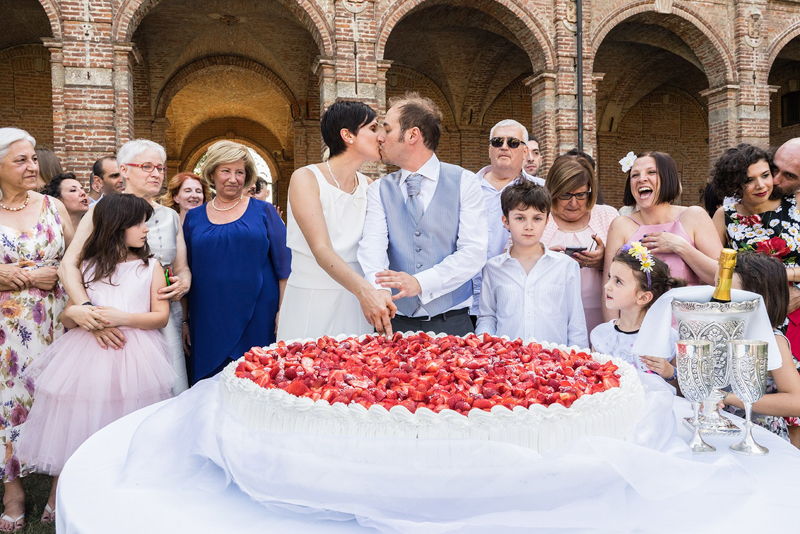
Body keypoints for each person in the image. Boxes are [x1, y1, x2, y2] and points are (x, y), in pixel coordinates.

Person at [18, 195, 175, 523]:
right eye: (139, 223)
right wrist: (79, 314)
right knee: (79, 423)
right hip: (88, 359)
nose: (146, 229)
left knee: (126, 424)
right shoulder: (86, 269)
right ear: (117, 227)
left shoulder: (150, 267)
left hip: (136, 359)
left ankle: (116, 492)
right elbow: (68, 319)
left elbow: (159, 317)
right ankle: (58, 493)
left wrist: (121, 317)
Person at [58, 139, 191, 396]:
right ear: (124, 170)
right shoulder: (103, 213)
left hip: (162, 316)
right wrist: (89, 311)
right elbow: (69, 266)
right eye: (147, 166)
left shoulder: (170, 216)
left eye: (161, 168)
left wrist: (184, 282)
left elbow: (182, 267)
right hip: (112, 320)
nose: (156, 173)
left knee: (168, 390)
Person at [358, 92, 488, 336]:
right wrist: (381, 291)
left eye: (386, 128)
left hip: (453, 323)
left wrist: (420, 282)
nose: (380, 137)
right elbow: (372, 247)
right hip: (394, 321)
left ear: (412, 135)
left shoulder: (465, 182)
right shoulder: (379, 190)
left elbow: (474, 252)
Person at [0, 128, 73, 531]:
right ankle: (13, 490)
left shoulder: (52, 205)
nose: (33, 166)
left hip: (53, 324)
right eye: (20, 161)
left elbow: (78, 263)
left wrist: (59, 274)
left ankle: (60, 484)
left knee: (58, 398)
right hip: (3, 335)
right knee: (5, 405)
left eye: (33, 158)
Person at [278, 101, 395, 339]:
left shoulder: (369, 186)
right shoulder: (306, 178)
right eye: (373, 128)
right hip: (312, 298)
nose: (381, 136)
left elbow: (376, 246)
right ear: (347, 135)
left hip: (355, 301)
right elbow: (321, 249)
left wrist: (378, 290)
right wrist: (366, 292)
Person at [184, 140, 290, 383]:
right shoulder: (193, 218)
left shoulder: (264, 211)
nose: (233, 178)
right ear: (212, 173)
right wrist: (184, 320)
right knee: (209, 388)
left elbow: (285, 268)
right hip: (208, 317)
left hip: (259, 314)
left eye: (239, 172)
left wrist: (282, 312)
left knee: (257, 383)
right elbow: (187, 270)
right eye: (226, 171)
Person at [603, 151, 721, 320]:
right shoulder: (620, 225)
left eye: (651, 172)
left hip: (688, 328)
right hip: (637, 332)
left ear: (668, 178)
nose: (641, 179)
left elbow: (722, 278)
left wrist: (680, 247)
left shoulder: (693, 216)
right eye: (635, 175)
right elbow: (608, 289)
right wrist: (612, 335)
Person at [475, 181, 587, 346]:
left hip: (554, 365)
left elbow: (576, 322)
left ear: (547, 221)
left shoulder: (566, 267)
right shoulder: (493, 268)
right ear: (505, 221)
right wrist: (483, 349)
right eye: (520, 218)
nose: (529, 226)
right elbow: (487, 316)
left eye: (537, 218)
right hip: (506, 363)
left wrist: (578, 362)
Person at [721, 252, 800, 447]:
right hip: (723, 431)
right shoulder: (721, 332)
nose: (718, 296)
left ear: (760, 300)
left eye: (729, 291)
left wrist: (729, 398)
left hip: (761, 440)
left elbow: (796, 401)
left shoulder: (773, 341)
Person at [471, 119, 542, 318]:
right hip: (469, 298)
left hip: (520, 298)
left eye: (512, 142)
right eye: (497, 142)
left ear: (525, 151)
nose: (504, 147)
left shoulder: (541, 190)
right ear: (489, 149)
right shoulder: (466, 187)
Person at [542, 154, 618, 333]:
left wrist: (604, 263)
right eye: (565, 195)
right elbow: (513, 263)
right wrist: (543, 262)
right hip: (550, 315)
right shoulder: (538, 217)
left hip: (603, 312)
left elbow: (632, 267)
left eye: (581, 195)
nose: (574, 203)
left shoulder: (607, 216)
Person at [592, 243, 683, 377]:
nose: (607, 286)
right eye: (609, 277)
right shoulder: (601, 335)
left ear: (644, 297)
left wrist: (669, 372)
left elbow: (683, 391)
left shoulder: (667, 337)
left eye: (618, 282)